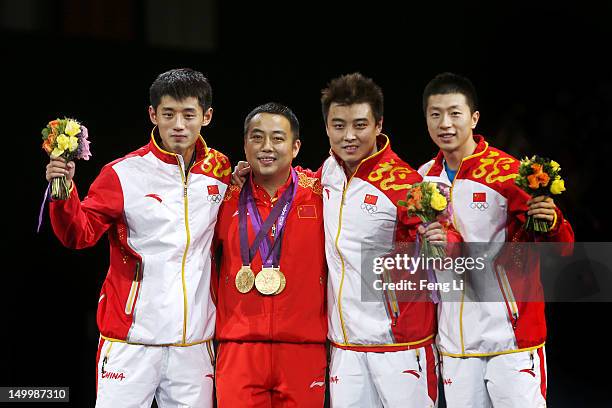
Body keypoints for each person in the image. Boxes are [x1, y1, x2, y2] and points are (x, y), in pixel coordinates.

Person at [45, 68, 230, 407]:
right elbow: (79, 235)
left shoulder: (220, 171)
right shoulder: (122, 174)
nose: (178, 125)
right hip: (130, 343)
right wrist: (64, 189)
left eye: (189, 115)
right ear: (152, 114)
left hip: (193, 347)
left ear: (207, 116)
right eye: (168, 114)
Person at [418, 72, 575, 407]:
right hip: (456, 344)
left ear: (474, 118)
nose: (445, 123)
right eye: (435, 115)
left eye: (455, 113)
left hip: (510, 338)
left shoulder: (508, 174)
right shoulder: (422, 180)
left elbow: (561, 248)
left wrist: (553, 221)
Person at [213, 102, 327, 407]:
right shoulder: (223, 198)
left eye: (278, 139)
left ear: (295, 147)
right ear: (245, 144)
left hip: (303, 349)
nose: (267, 147)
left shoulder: (321, 195)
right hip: (239, 349)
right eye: (257, 137)